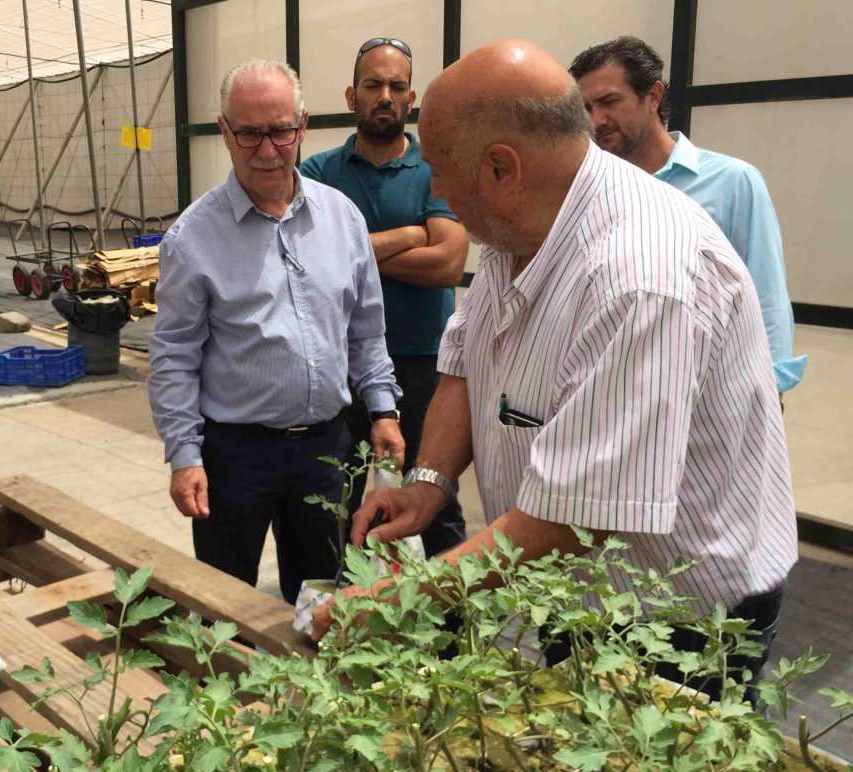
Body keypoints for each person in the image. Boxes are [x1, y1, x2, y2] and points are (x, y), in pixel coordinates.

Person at [311, 40, 797, 699]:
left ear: (502, 168)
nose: (437, 190)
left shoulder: (640, 277)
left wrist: (398, 599)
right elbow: (466, 358)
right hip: (577, 592)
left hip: (677, 621)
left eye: (442, 171)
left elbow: (577, 516)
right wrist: (426, 485)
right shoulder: (524, 220)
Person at [148, 59, 403, 604]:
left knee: (323, 600)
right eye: (249, 133)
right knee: (222, 605)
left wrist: (383, 410)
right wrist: (184, 455)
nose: (267, 150)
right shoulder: (193, 239)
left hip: (327, 450)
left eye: (281, 131)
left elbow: (365, 330)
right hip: (233, 457)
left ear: (302, 125)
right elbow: (174, 357)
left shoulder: (342, 219)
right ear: (224, 132)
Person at [300, 37, 469, 557]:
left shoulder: (435, 168)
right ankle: (343, 597)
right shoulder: (317, 173)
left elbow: (448, 263)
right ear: (351, 96)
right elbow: (308, 261)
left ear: (411, 98)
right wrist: (412, 234)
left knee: (433, 495)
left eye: (397, 86)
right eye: (373, 85)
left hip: (422, 364)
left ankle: (451, 606)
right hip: (342, 362)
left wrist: (349, 255)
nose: (385, 96)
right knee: (337, 497)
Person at [570, 36, 806, 394]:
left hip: (709, 392)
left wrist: (771, 389)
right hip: (610, 389)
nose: (597, 120)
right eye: (586, 108)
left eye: (609, 102)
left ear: (653, 96)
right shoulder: (586, 191)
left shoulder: (732, 182)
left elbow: (766, 293)